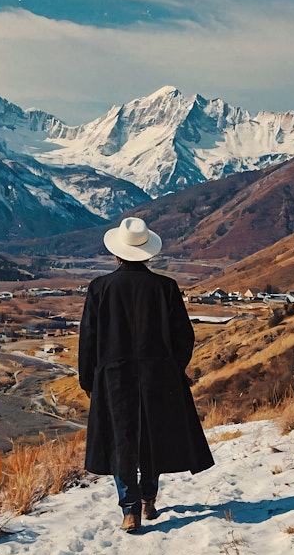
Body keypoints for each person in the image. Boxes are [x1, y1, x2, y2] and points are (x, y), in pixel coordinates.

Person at [78, 216, 214, 532]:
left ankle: (129, 509)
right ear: (148, 253)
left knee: (121, 440)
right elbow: (184, 336)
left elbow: (88, 338)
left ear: (117, 253)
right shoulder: (166, 287)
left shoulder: (100, 288)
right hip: (158, 375)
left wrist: (88, 379)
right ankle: (148, 498)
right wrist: (171, 367)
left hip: (113, 376)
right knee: (151, 437)